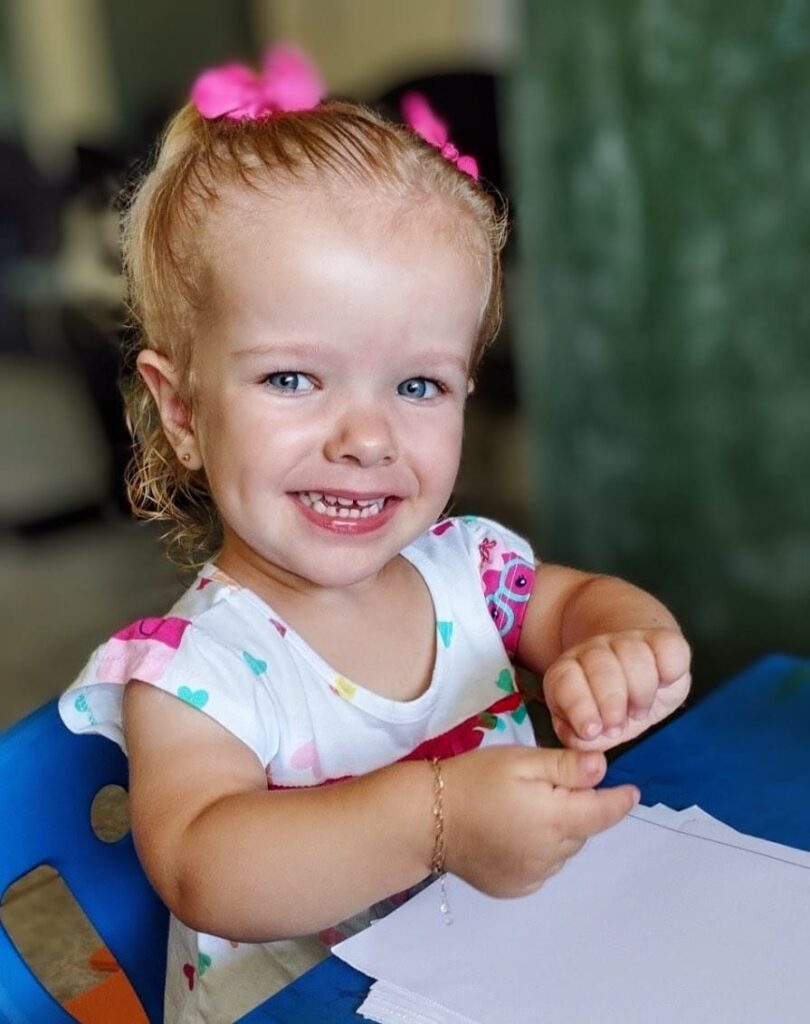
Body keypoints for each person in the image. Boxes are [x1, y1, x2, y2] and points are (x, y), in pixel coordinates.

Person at [59, 46, 691, 1024]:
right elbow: (204, 867)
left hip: (496, 979)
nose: (366, 437)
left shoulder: (470, 572)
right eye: (292, 378)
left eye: (418, 384)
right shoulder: (193, 673)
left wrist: (626, 645)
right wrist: (437, 820)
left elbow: (580, 603)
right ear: (182, 410)